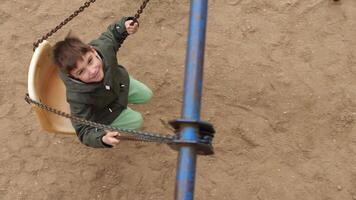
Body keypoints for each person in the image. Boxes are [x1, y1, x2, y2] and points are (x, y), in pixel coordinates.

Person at [52, 16, 152, 148]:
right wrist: (102, 139)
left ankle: (125, 100)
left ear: (92, 50)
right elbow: (82, 130)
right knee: (136, 121)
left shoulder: (103, 49)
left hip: (119, 83)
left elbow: (112, 34)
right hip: (105, 111)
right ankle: (111, 123)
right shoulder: (77, 97)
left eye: (90, 61)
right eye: (81, 72)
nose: (92, 71)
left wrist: (125, 26)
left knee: (147, 95)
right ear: (74, 77)